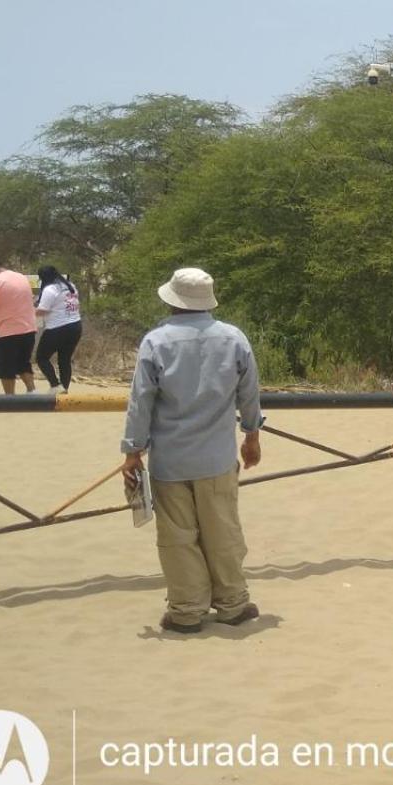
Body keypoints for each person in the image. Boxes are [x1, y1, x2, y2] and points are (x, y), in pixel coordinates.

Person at [121, 267, 265, 632]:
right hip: (216, 459)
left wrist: (132, 451)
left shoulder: (155, 342)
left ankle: (187, 610)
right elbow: (249, 395)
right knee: (223, 531)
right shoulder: (234, 339)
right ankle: (232, 603)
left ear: (172, 301)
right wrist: (251, 435)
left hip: (169, 461)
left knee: (178, 537)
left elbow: (141, 402)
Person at [0, 257, 36, 394]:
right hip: (29, 329)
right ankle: (32, 392)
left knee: (5, 366)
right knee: (23, 362)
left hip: (8, 331)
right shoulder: (22, 277)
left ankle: (10, 398)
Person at [33, 265, 84, 393]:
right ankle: (64, 388)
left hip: (57, 327)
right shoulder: (70, 285)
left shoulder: (50, 289)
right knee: (64, 359)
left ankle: (55, 385)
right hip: (75, 326)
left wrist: (29, 310)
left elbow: (42, 310)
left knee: (41, 357)